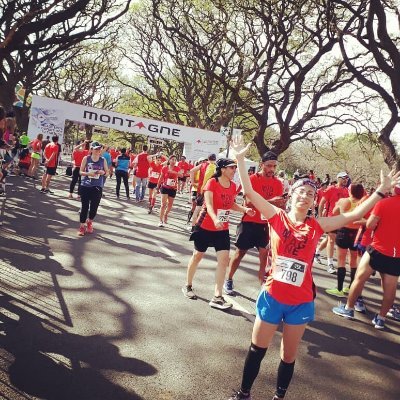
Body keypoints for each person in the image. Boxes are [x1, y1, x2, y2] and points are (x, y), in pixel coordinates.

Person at [227, 136, 399, 400]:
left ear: (312, 200)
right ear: (292, 195)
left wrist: (379, 192)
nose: (305, 196)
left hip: (300, 301)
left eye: (310, 193)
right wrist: (239, 159)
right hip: (272, 296)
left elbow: (353, 216)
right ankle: (244, 393)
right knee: (257, 349)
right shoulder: (276, 216)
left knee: (288, 355)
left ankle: (279, 397)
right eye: (301, 192)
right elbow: (250, 193)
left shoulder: (318, 225)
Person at [182, 158, 255, 310]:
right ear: (222, 169)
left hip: (222, 228)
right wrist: (214, 218)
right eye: (231, 168)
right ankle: (187, 286)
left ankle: (217, 296)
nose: (234, 170)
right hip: (206, 225)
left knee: (223, 261)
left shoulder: (233, 186)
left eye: (235, 168)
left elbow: (231, 204)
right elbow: (208, 204)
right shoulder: (212, 183)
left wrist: (244, 210)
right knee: (197, 256)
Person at [333, 183, 400, 330]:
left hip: (377, 249)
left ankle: (349, 308)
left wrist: (369, 221)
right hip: (396, 255)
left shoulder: (383, 203)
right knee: (390, 290)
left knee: (359, 278)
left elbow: (370, 225)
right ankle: (381, 319)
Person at [224, 151, 285, 295]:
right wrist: (270, 201)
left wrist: (282, 205)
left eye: (274, 166)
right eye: (269, 165)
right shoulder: (251, 179)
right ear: (262, 164)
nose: (271, 169)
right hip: (249, 222)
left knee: (264, 254)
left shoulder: (278, 183)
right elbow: (248, 202)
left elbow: (279, 205)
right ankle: (229, 279)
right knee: (240, 252)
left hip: (266, 224)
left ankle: (262, 285)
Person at [325, 183, 365, 297]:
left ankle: (339, 289)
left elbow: (334, 212)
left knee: (341, 260)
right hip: (357, 233)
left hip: (344, 231)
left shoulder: (343, 201)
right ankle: (351, 287)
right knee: (353, 261)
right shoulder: (363, 203)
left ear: (350, 191)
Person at [318, 171, 350, 274]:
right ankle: (330, 264)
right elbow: (322, 202)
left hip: (341, 219)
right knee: (331, 240)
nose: (346, 180)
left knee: (329, 239)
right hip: (331, 218)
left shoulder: (346, 191)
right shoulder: (331, 189)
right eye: (344, 178)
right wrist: (320, 216)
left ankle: (317, 252)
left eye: (347, 178)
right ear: (339, 178)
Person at [78, 141, 108, 236]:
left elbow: (107, 172)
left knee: (94, 208)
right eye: (96, 149)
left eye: (99, 149)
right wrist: (88, 174)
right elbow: (80, 172)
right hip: (86, 185)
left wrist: (103, 173)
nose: (97, 151)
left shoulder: (102, 160)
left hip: (97, 186)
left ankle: (89, 221)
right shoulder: (86, 158)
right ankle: (82, 227)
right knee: (84, 207)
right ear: (91, 150)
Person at [156, 155, 182, 227]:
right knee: (163, 204)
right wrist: (157, 187)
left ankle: (166, 214)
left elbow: (181, 175)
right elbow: (161, 178)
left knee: (170, 205)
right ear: (169, 160)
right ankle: (160, 221)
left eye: (175, 160)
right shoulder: (164, 168)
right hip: (164, 187)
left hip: (173, 188)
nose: (173, 161)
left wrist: (174, 172)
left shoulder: (177, 168)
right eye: (172, 159)